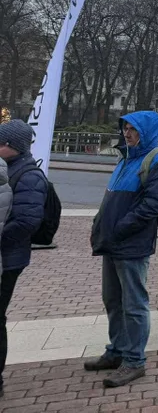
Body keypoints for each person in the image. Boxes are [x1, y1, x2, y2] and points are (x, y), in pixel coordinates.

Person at [85, 112, 158, 388]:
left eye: (133, 129)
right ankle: (118, 350)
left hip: (131, 243)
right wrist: (100, 226)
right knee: (112, 299)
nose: (127, 133)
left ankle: (134, 360)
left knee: (134, 304)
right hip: (112, 241)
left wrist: (120, 227)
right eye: (125, 127)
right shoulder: (125, 157)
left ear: (145, 131)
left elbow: (154, 205)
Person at [0, 120, 47, 398]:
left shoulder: (29, 175)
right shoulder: (9, 168)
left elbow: (27, 220)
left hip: (9, 259)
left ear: (12, 147)